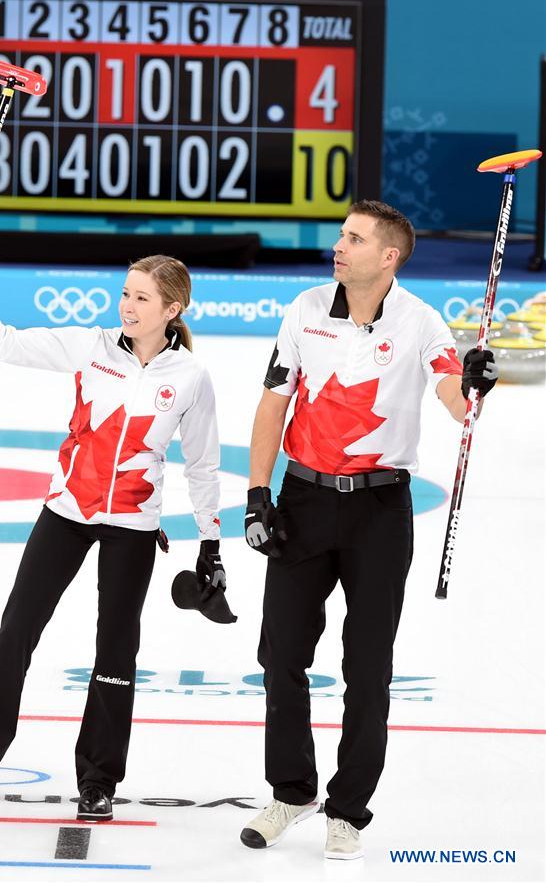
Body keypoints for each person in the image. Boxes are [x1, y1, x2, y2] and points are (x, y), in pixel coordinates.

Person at [0, 241, 225, 822]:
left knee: (115, 651)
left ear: (173, 309)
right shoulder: (92, 347)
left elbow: (203, 466)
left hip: (132, 527)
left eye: (142, 298)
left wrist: (210, 544)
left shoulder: (191, 377)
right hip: (66, 512)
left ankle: (98, 779)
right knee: (17, 628)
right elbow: (2, 341)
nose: (128, 307)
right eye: (126, 294)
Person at [239, 200, 498, 858]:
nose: (339, 245)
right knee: (280, 656)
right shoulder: (304, 310)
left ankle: (348, 811)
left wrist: (473, 384)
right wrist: (258, 494)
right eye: (341, 235)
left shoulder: (422, 321)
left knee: (368, 667)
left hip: (380, 512)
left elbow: (451, 394)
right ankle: (291, 791)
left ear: (388, 257)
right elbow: (273, 403)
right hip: (302, 499)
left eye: (354, 238)